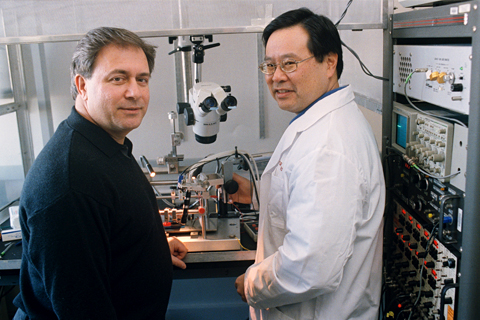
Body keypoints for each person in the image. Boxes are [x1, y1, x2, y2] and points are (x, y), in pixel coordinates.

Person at [12, 27, 187, 320]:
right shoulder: (70, 183)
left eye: (142, 79)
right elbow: (83, 310)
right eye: (118, 78)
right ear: (82, 85)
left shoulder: (103, 144)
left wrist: (145, 252)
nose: (134, 92)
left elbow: (103, 232)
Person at [233, 8, 385, 320]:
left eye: (289, 63)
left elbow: (311, 267)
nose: (276, 77)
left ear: (330, 62)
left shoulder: (329, 146)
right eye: (270, 65)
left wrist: (251, 283)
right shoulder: (320, 121)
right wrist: (261, 193)